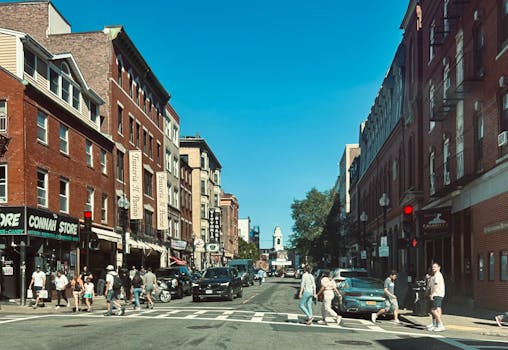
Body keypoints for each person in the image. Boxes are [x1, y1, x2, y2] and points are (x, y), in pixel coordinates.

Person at [427, 262, 446, 332]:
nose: (433, 268)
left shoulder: (438, 275)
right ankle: (436, 324)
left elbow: (436, 285)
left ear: (439, 268)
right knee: (437, 309)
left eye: (435, 267)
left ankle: (440, 324)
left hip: (437, 294)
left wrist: (432, 293)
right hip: (438, 294)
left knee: (433, 310)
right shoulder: (435, 275)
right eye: (433, 267)